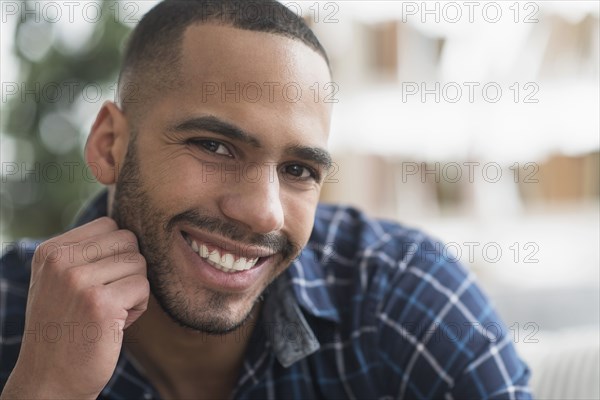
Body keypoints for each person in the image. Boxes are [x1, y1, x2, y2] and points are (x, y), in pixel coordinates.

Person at [0, 1, 531, 398]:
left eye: (299, 170)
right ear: (109, 145)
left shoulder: (405, 297)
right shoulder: (8, 314)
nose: (263, 212)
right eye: (214, 146)